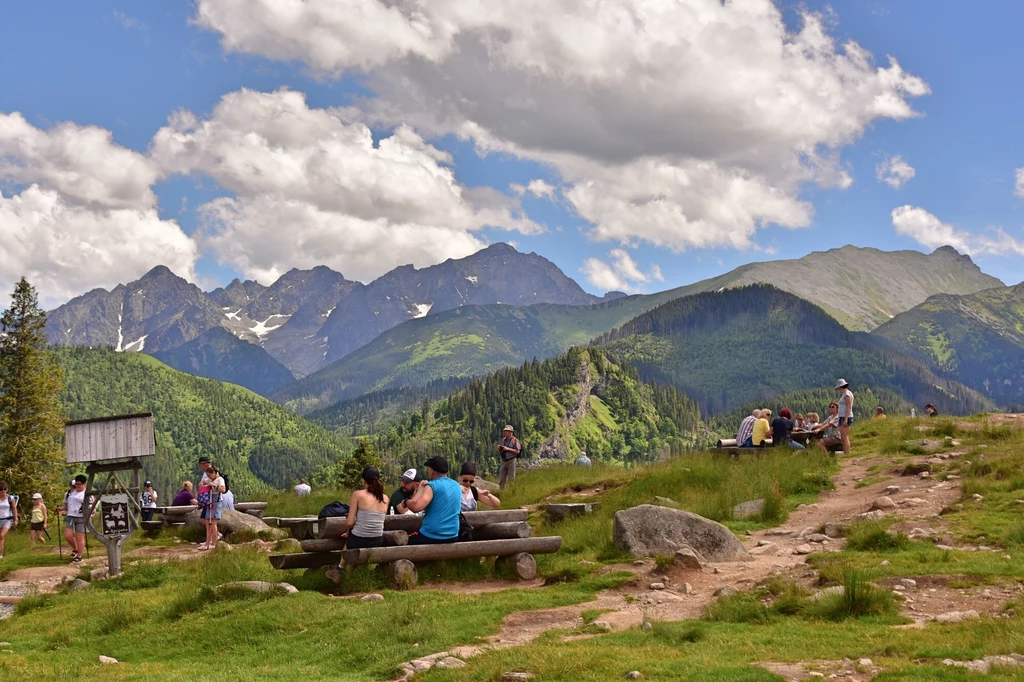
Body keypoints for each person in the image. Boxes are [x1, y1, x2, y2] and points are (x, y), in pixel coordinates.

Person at [404, 456, 461, 545]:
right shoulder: (456, 485)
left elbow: (416, 507)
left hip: (432, 535)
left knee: (404, 540)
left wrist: (406, 502)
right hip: (453, 535)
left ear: (432, 471)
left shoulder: (432, 486)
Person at [341, 466, 389, 550]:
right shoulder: (385, 498)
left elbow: (349, 523)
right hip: (377, 540)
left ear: (364, 480)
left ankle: (341, 564)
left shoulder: (357, 495)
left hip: (359, 539)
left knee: (348, 542)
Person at [60, 475, 88, 564]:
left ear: (84, 484)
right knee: (68, 535)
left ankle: (79, 556)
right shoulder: (72, 493)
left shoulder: (86, 494)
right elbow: (67, 505)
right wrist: (61, 509)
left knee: (80, 537)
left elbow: (91, 507)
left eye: (79, 484)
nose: (77, 486)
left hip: (81, 517)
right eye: (76, 484)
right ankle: (76, 549)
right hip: (71, 516)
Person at [198, 463, 226, 551]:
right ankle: (207, 543)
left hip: (216, 500)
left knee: (213, 523)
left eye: (210, 475)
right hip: (209, 500)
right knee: (208, 522)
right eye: (207, 475)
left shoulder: (220, 479)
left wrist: (214, 485)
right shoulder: (210, 479)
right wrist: (202, 484)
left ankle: (213, 543)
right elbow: (202, 482)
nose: (209, 477)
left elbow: (223, 489)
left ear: (214, 472)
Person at [497, 425, 522, 490]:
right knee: (502, 479)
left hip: (511, 460)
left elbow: (517, 451)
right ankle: (502, 492)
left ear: (511, 432)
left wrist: (507, 449)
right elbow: (501, 450)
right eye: (505, 431)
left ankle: (511, 492)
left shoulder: (515, 440)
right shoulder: (503, 440)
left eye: (507, 431)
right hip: (504, 460)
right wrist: (499, 448)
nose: (505, 432)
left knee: (511, 479)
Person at [835, 379, 854, 455]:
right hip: (842, 416)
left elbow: (849, 406)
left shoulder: (847, 395)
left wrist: (845, 418)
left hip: (846, 417)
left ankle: (847, 452)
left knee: (844, 436)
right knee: (843, 436)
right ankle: (846, 452)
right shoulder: (845, 394)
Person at [0, 482, 18, 560]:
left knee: (1, 535)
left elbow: (14, 508)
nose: (3, 491)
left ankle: (0, 555)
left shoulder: (10, 498)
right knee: (1, 538)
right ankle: (1, 553)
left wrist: (16, 519)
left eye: (5, 489)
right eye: (1, 489)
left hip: (7, 519)